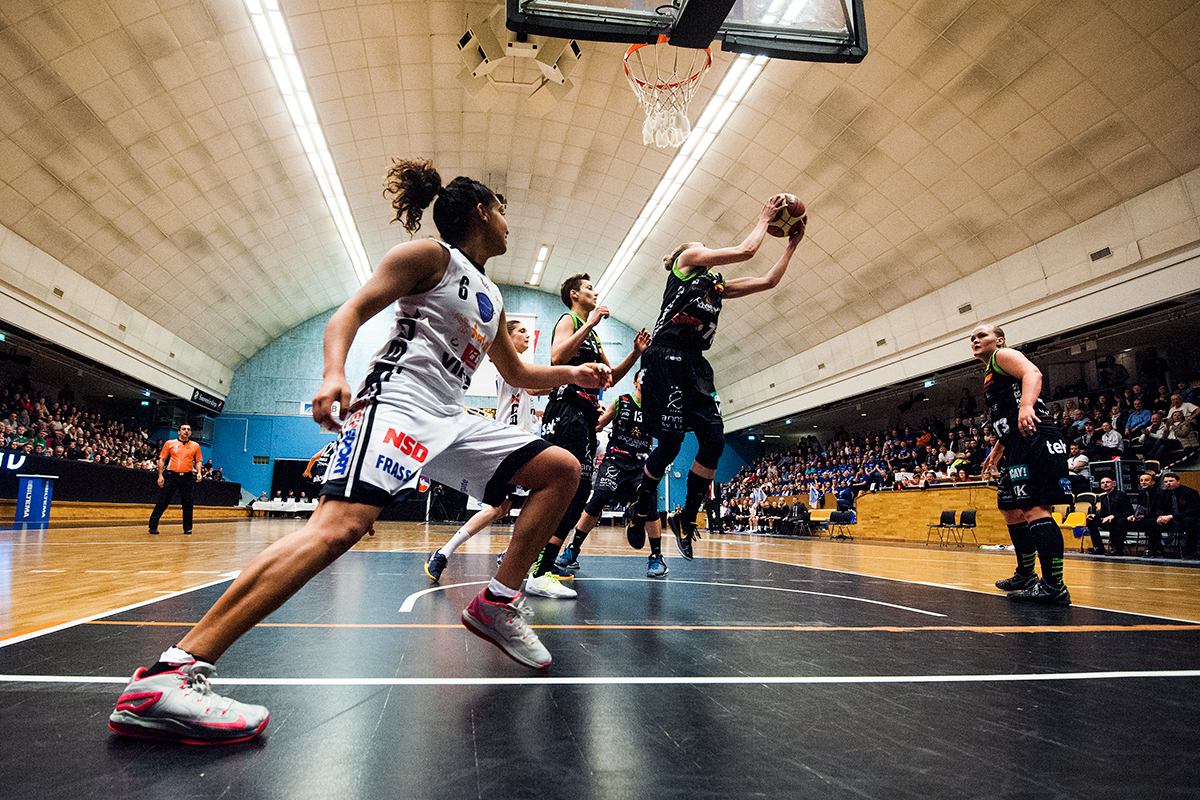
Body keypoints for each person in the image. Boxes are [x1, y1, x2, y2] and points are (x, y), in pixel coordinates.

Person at [108, 159, 611, 745]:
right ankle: (171, 673)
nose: (508, 223)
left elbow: (520, 372)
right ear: (480, 211)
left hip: (450, 417)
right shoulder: (430, 257)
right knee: (337, 530)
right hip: (397, 403)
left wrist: (574, 371)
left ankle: (499, 601)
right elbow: (349, 312)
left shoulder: (493, 296)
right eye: (502, 210)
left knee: (561, 470)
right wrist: (332, 373)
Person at [630, 195, 806, 559]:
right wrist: (764, 217)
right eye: (702, 245)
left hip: (695, 364)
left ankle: (686, 517)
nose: (705, 247)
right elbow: (746, 251)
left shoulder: (717, 287)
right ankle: (640, 501)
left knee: (713, 441)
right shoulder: (685, 262)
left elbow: (769, 281)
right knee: (670, 444)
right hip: (665, 356)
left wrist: (792, 245)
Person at [525, 273, 649, 592]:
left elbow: (612, 379)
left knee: (579, 494)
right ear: (574, 295)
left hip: (584, 415)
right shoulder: (569, 320)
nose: (595, 292)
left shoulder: (593, 339)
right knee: (559, 488)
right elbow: (557, 358)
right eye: (589, 288)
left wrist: (635, 352)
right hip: (566, 410)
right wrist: (590, 322)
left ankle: (543, 563)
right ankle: (533, 560)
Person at [423, 319, 548, 586]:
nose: (527, 336)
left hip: (521, 445)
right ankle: (511, 556)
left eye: (529, 331)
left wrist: (536, 413)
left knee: (499, 509)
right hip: (509, 448)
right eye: (521, 331)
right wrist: (572, 379)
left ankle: (444, 553)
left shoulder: (521, 368)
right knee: (537, 498)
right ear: (508, 337)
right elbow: (536, 386)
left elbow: (528, 397)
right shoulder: (512, 365)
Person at [971, 323, 1073, 605]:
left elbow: (1033, 373)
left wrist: (1028, 405)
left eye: (982, 335)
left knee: (1036, 509)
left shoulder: (1003, 356)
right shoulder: (991, 371)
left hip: (1034, 437)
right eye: (972, 338)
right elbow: (1007, 413)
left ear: (999, 340)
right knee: (1010, 508)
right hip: (1016, 442)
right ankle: (1026, 574)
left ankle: (1054, 586)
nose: (975, 340)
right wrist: (998, 447)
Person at [556, 369, 668, 578]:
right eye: (643, 380)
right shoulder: (621, 402)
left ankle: (656, 557)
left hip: (640, 466)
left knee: (650, 505)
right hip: (615, 462)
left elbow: (656, 439)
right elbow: (598, 426)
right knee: (598, 498)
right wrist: (586, 416)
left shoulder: (655, 408)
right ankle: (573, 550)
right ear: (635, 383)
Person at [147, 423, 203, 536]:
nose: (186, 431)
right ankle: (152, 526)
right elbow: (162, 459)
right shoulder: (170, 443)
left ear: (190, 433)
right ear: (179, 432)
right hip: (172, 476)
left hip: (187, 477)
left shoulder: (195, 446)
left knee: (188, 503)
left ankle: (187, 528)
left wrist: (199, 473)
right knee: (163, 501)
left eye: (188, 429)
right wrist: (160, 475)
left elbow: (198, 461)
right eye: (184, 429)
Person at [1147, 471, 1200, 559]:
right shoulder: (1163, 494)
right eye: (1166, 482)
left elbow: (1193, 510)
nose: (1168, 483)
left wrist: (1173, 516)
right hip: (1170, 520)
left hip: (1185, 518)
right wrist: (1159, 517)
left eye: (1171, 481)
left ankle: (1190, 553)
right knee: (1153, 523)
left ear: (1178, 481)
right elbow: (1160, 508)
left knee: (1189, 522)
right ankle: (1156, 550)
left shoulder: (1190, 493)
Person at [1084, 476, 1133, 556]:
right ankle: (1099, 547)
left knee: (1117, 522)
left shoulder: (1121, 495)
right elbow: (1104, 514)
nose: (1105, 484)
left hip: (1121, 520)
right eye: (1103, 483)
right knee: (1091, 522)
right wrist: (1095, 516)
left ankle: (1117, 549)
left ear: (1113, 484)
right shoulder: (1103, 498)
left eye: (1107, 482)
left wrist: (1114, 516)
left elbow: (1129, 511)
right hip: (1109, 520)